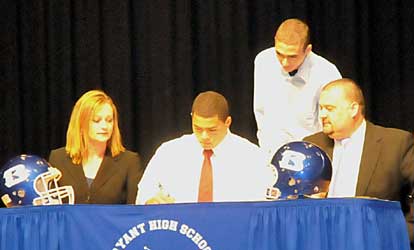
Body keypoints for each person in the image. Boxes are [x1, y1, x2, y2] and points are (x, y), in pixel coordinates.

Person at [303, 78, 414, 245]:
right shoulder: (312, 145)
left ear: (353, 109)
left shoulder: (396, 143)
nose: (323, 115)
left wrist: (402, 235)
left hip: (377, 241)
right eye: (321, 108)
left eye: (329, 109)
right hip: (321, 240)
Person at [136, 91, 271, 204]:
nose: (204, 136)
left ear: (227, 122)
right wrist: (151, 201)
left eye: (212, 130)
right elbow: (144, 192)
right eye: (198, 128)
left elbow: (264, 206)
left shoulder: (252, 157)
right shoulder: (170, 152)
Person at [254, 18, 341, 160]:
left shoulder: (327, 73)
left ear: (308, 50)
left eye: (292, 56)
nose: (284, 62)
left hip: (310, 157)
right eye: (279, 53)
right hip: (271, 153)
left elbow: (332, 126)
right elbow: (261, 111)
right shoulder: (263, 61)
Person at [49, 90, 144, 204]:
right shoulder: (58, 158)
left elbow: (135, 212)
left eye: (109, 120)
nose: (104, 126)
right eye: (96, 120)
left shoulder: (129, 161)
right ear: (81, 123)